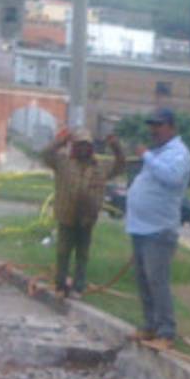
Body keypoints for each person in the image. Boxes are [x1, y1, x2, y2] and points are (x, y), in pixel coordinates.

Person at [124, 108, 190, 352]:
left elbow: (172, 178)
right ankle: (150, 325)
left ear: (172, 127)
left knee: (157, 281)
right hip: (141, 228)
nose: (154, 130)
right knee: (144, 281)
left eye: (159, 125)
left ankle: (166, 331)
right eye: (152, 125)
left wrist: (146, 156)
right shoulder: (158, 152)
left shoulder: (178, 153)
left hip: (159, 229)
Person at [41, 127, 126, 296]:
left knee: (82, 254)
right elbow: (45, 154)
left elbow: (120, 166)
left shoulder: (100, 166)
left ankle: (78, 286)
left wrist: (116, 148)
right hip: (66, 215)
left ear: (91, 148)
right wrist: (60, 141)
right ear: (74, 146)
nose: (83, 149)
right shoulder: (63, 162)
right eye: (79, 145)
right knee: (63, 252)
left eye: (86, 145)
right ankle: (60, 284)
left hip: (87, 218)